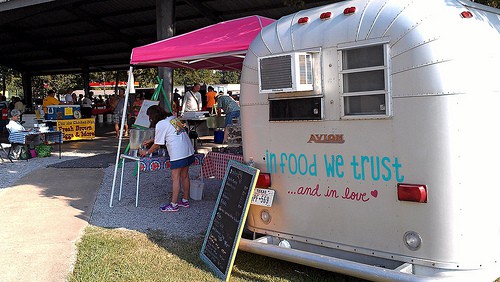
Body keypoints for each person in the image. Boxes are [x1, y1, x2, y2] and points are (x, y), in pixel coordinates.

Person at [139, 105, 195, 213]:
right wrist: (151, 140)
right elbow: (171, 133)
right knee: (185, 176)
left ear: (153, 116)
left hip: (178, 153)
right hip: (188, 150)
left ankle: (173, 205)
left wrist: (146, 152)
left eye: (150, 117)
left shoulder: (161, 123)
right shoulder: (172, 118)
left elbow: (158, 144)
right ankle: (185, 200)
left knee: (176, 178)